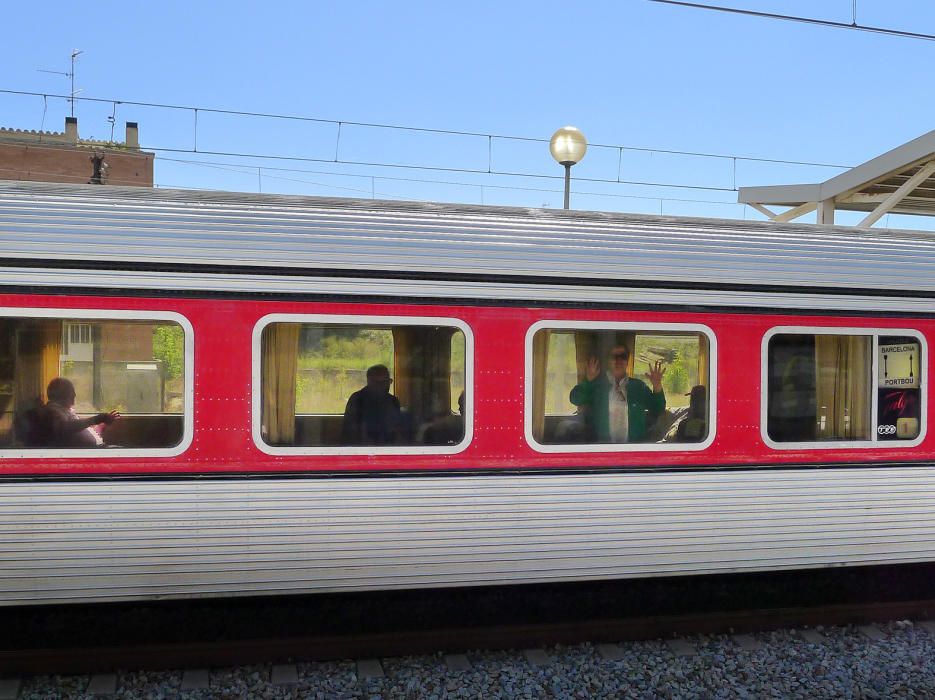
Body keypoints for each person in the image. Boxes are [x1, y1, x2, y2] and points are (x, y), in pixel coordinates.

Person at [569, 345, 666, 443]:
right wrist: (588, 381)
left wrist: (657, 386)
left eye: (623, 356)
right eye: (614, 356)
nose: (618, 360)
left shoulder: (638, 387)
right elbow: (575, 399)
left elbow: (658, 408)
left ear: (627, 361)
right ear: (608, 361)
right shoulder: (597, 385)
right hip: (602, 449)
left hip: (633, 449)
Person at [35, 377, 119, 448]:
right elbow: (66, 428)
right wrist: (97, 419)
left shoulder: (66, 410)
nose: (74, 394)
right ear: (61, 394)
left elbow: (79, 431)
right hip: (84, 456)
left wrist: (101, 425)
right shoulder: (52, 411)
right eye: (71, 391)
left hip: (96, 449)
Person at [341, 364, 403, 445]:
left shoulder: (393, 401)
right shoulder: (357, 400)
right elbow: (351, 432)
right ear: (369, 382)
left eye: (388, 381)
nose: (386, 385)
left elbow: (398, 429)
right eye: (380, 383)